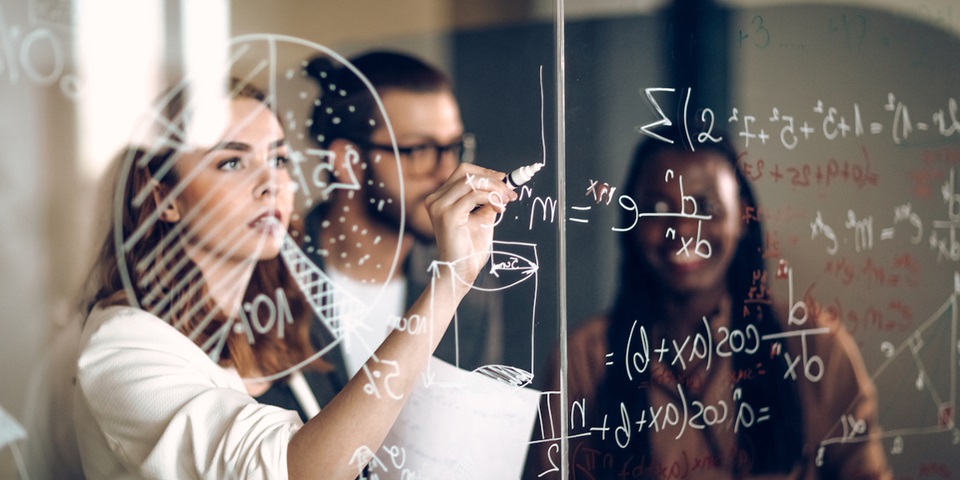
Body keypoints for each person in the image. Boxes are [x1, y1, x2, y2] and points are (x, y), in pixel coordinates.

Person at [72, 77, 517, 478]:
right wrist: (452, 278)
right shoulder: (123, 344)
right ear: (162, 194)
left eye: (280, 159)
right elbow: (289, 471)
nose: (271, 182)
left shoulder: (275, 321)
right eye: (231, 162)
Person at [525, 130, 891, 479]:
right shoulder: (585, 357)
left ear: (743, 217)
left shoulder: (815, 345)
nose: (683, 227)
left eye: (705, 207)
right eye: (656, 206)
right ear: (631, 222)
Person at [290, 50, 503, 388]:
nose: (448, 172)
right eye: (419, 150)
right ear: (348, 161)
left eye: (453, 147)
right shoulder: (268, 279)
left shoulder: (470, 288)